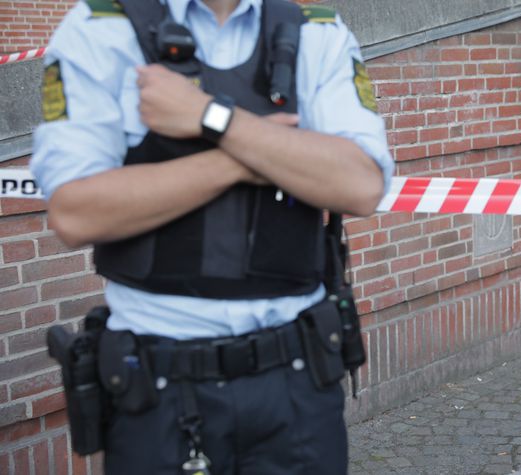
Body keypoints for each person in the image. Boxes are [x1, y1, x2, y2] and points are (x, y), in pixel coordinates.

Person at [32, 0, 393, 473]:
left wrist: (209, 116)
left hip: (297, 383)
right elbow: (76, 213)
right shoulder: (101, 28)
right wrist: (253, 155)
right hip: (157, 390)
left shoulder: (316, 32)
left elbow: (361, 186)